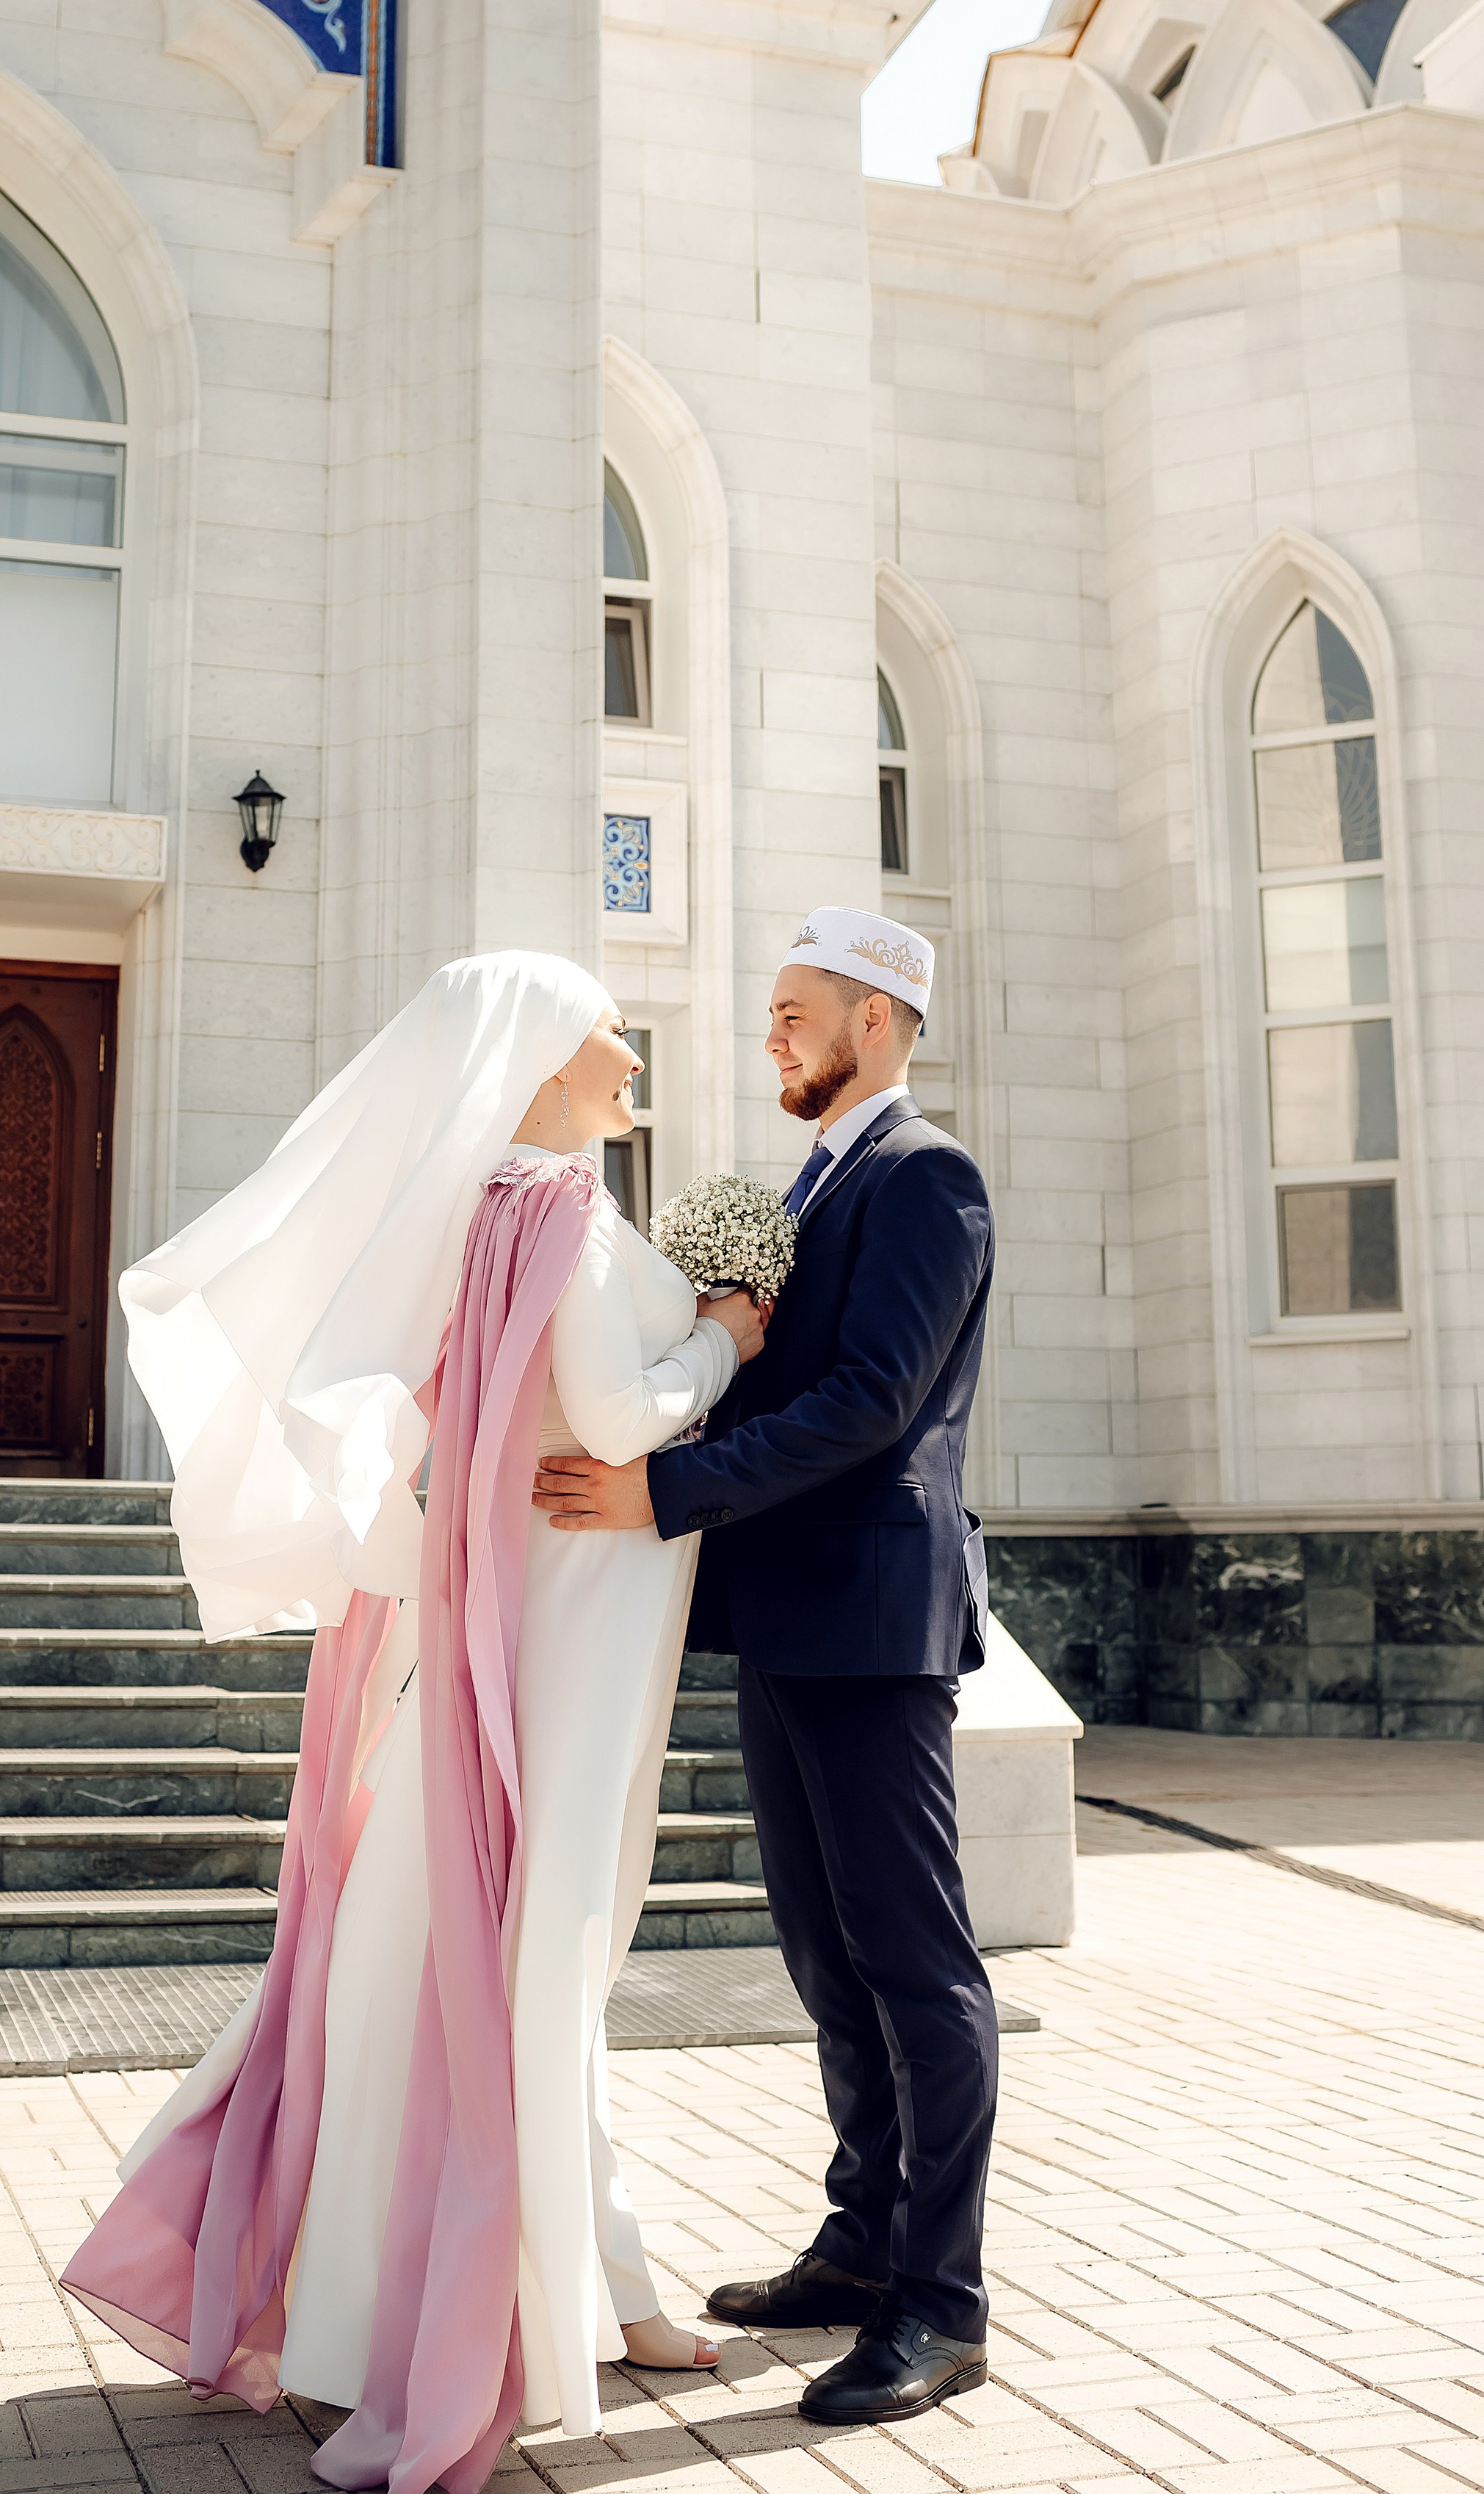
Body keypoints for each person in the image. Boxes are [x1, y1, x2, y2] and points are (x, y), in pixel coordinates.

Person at [59, 950, 767, 2493]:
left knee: (506, 1967)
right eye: (608, 1037)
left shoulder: (487, 1211)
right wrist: (723, 1332)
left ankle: (576, 2286)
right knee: (543, 1965)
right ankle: (544, 2304)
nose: (629, 1061)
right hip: (570, 1643)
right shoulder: (560, 1213)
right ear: (532, 1055)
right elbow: (623, 1414)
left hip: (542, 1626)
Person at [533, 907, 999, 2429]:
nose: (771, 1033)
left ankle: (939, 2300)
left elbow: (873, 1401)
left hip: (871, 1621)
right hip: (790, 1616)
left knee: (913, 1964)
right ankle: (860, 2242)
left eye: (796, 1010)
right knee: (821, 1949)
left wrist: (658, 1491)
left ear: (877, 1021)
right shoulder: (814, 1180)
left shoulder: (924, 1176)